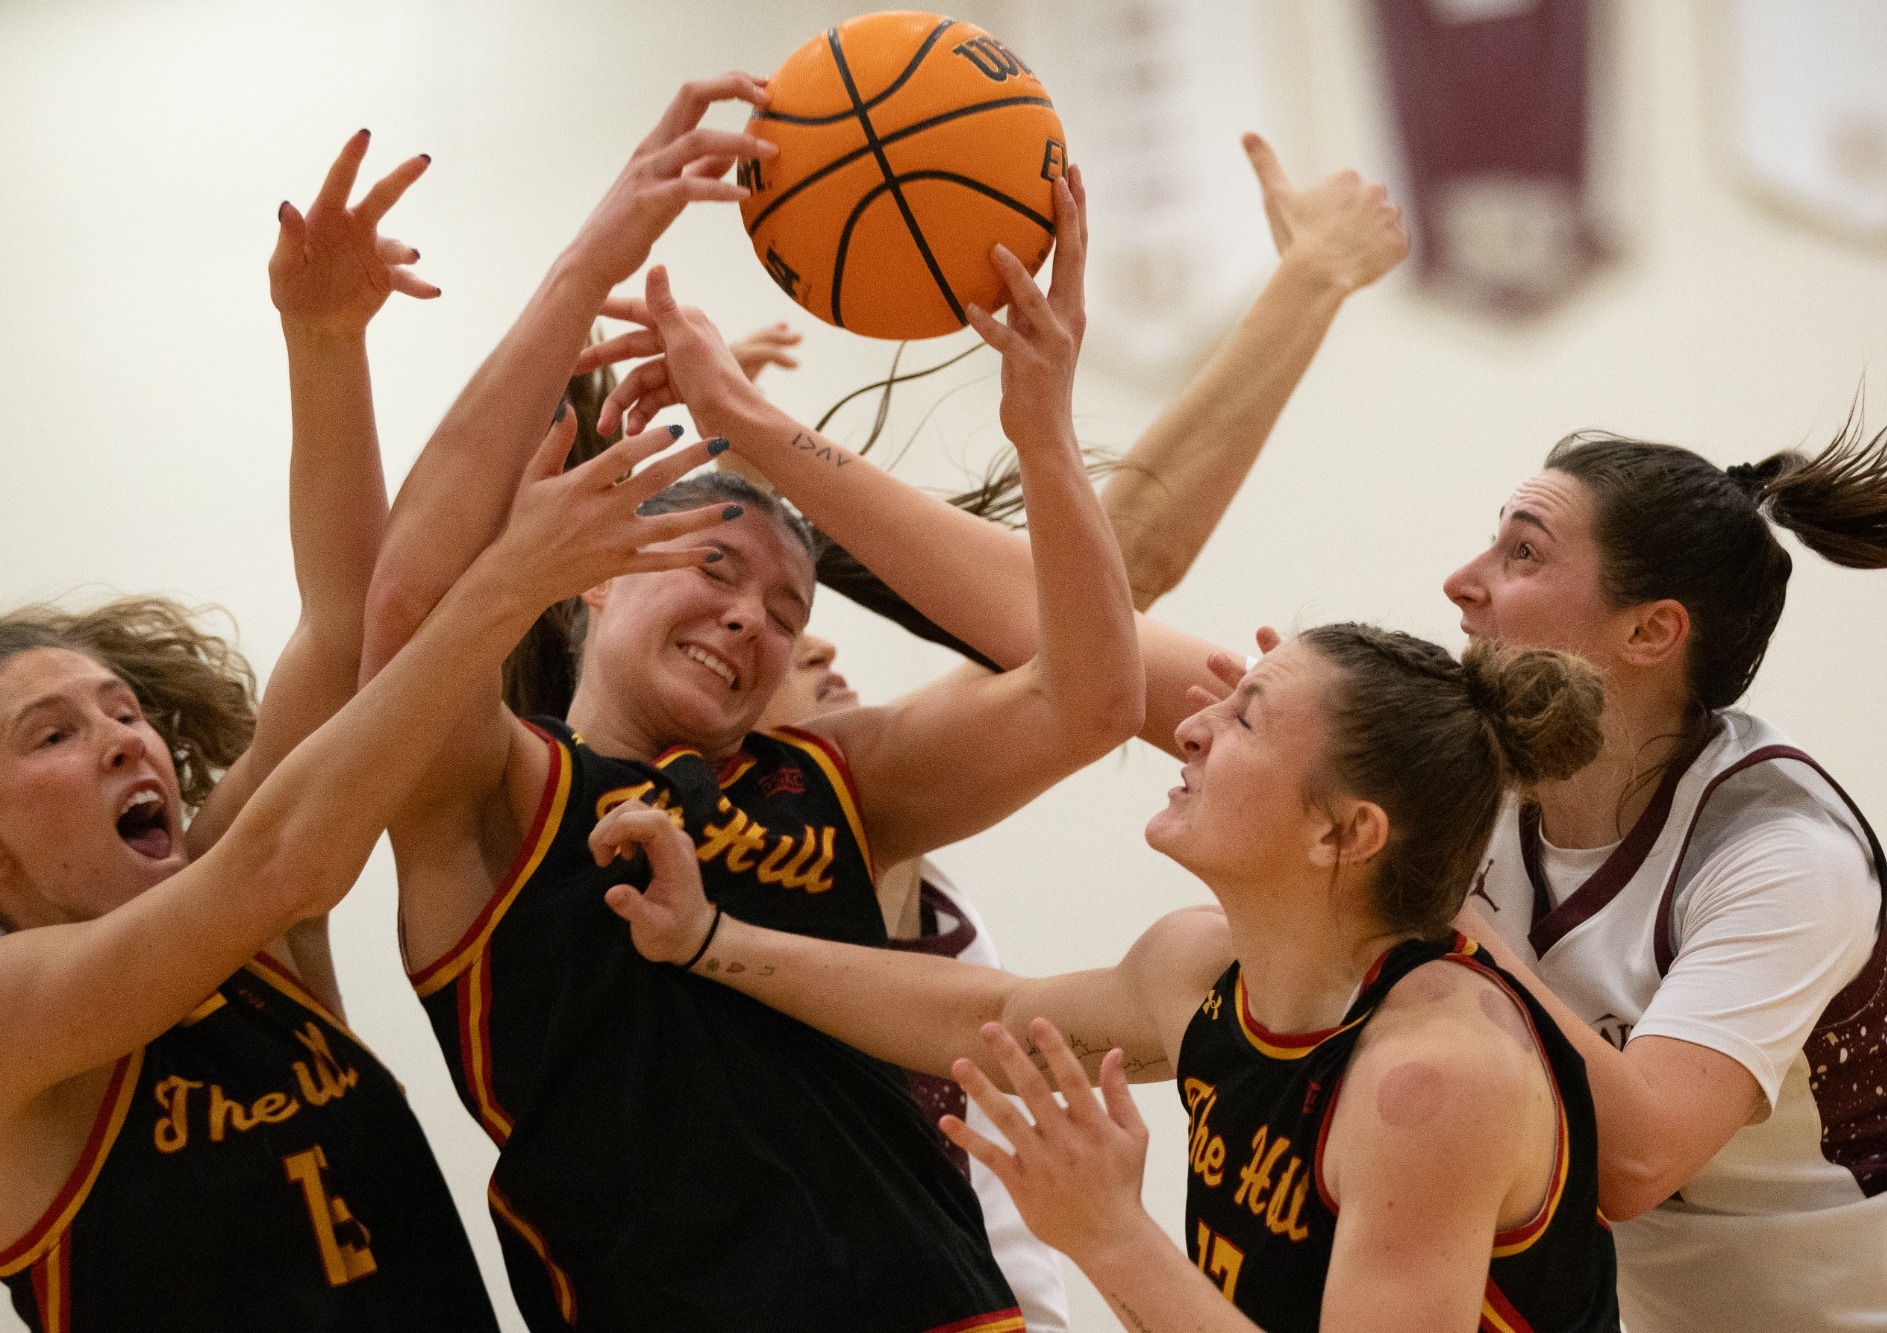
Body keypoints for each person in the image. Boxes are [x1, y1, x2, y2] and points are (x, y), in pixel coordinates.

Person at [633, 258, 1887, 1333]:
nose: (1463, 576)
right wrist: (759, 433)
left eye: (1519, 550)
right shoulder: (1416, 766)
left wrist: (1460, 919)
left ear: (1652, 634)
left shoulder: (1768, 849)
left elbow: (1639, 1155)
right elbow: (1076, 652)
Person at [357, 76, 1144, 1331]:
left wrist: (1041, 433)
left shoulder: (831, 782)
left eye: (786, 613)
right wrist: (597, 254)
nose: (750, 619)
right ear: (596, 581)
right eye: (715, 569)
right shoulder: (497, 799)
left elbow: (1094, 700)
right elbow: (402, 615)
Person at [0, 133, 693, 1331]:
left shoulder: (243, 927)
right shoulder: (19, 1016)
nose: (127, 741)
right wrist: (500, 592)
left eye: (124, 710)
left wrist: (324, 345)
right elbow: (292, 860)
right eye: (51, 735)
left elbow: (340, 636)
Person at [592, 623, 1621, 1333]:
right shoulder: (1204, 966)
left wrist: (1110, 1235)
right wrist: (707, 939)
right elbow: (994, 1013)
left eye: (1246, 718)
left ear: (1343, 831)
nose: (1190, 726)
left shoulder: (1434, 1082)